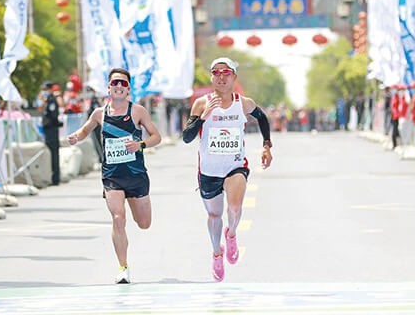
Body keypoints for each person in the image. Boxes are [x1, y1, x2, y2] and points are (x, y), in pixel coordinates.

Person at [182, 57, 273, 282]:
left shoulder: (243, 103)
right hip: (209, 170)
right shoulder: (201, 103)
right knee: (214, 215)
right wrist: (203, 117)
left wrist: (266, 145)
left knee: (234, 206)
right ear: (212, 77)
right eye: (216, 73)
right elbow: (187, 137)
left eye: (226, 73)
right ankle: (217, 252)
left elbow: (262, 118)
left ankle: (231, 234)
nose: (221, 77)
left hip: (235, 166)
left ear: (234, 77)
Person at [67, 68, 161, 284]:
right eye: (115, 83)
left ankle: (138, 212)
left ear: (128, 89)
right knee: (118, 218)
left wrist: (140, 144)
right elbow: (85, 130)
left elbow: (157, 136)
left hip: (136, 175)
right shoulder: (99, 114)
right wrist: (76, 137)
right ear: (108, 88)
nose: (119, 86)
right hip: (112, 176)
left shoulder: (137, 111)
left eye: (123, 83)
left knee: (144, 223)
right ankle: (123, 267)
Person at [39, 82, 63, 186]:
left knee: (54, 154)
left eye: (45, 89)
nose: (44, 92)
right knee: (51, 154)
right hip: (49, 130)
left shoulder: (52, 100)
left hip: (52, 130)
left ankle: (55, 178)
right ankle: (53, 177)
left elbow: (53, 116)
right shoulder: (48, 100)